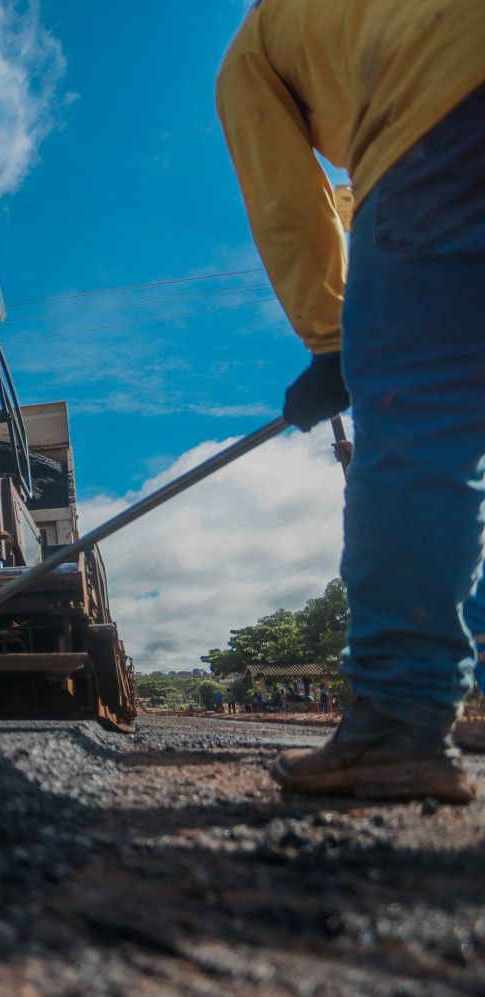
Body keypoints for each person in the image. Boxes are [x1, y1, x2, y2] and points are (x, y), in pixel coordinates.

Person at [216, 0, 485, 803]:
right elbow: (338, 202)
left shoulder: (259, 43)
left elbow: (288, 202)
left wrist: (333, 342)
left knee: (419, 424)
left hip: (440, 116)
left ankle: (399, 722)